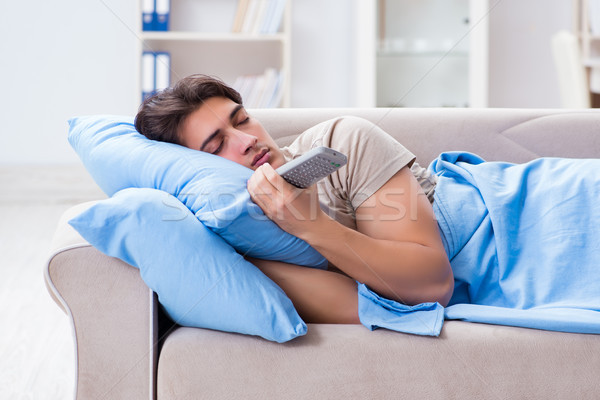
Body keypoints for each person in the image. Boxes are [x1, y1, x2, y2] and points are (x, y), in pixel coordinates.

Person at [135, 74, 454, 324]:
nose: (249, 140)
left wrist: (310, 224)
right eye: (217, 146)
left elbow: (432, 286)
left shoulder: (343, 141)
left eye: (243, 119)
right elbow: (368, 309)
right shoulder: (234, 226)